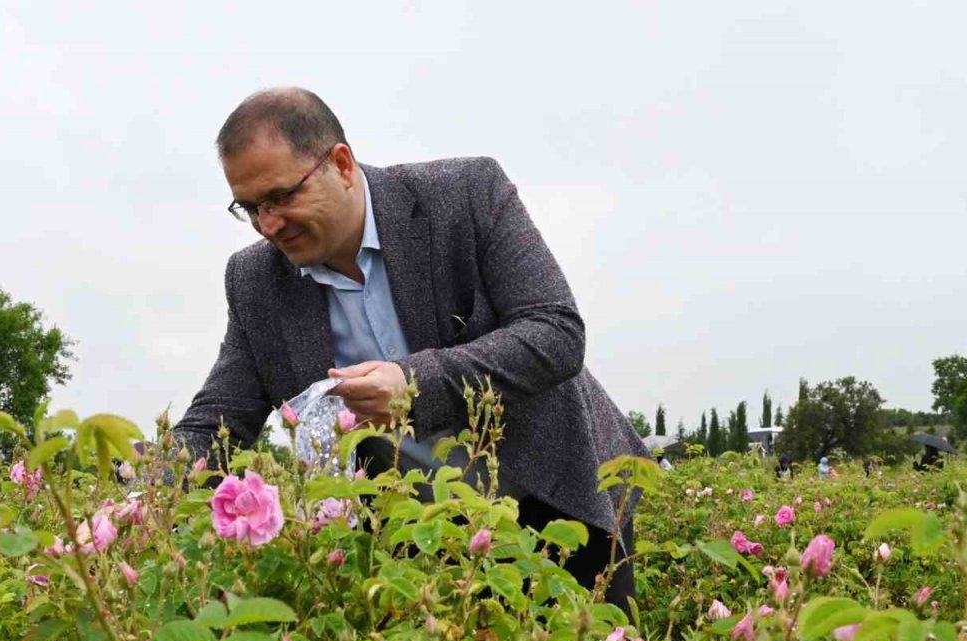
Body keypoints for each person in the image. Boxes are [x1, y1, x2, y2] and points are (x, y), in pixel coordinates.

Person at [173, 88, 648, 614]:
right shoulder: (257, 281)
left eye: (282, 197)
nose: (268, 225)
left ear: (341, 164)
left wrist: (412, 382)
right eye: (251, 207)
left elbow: (555, 331)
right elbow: (216, 423)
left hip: (555, 495)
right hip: (417, 542)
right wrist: (140, 485)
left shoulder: (465, 195)